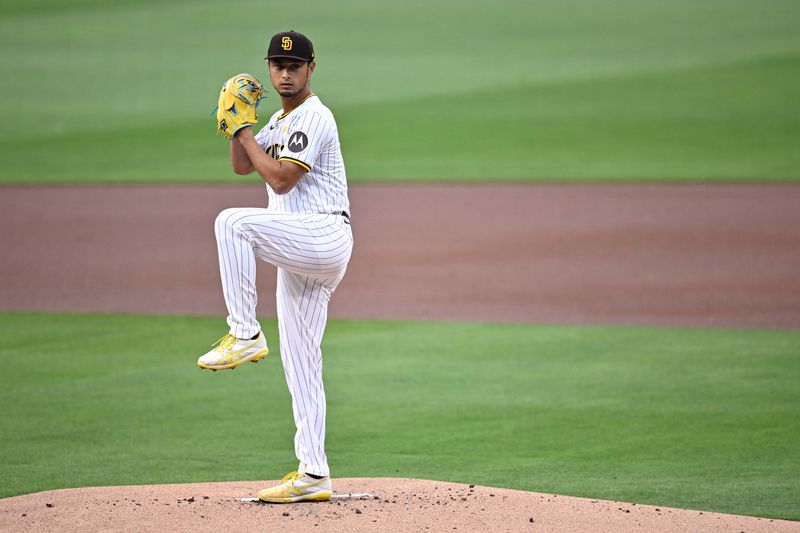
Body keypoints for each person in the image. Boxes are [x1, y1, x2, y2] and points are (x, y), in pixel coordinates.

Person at [197, 30, 353, 503]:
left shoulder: (313, 117)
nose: (285, 73)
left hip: (322, 236)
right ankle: (314, 473)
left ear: (311, 68)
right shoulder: (279, 122)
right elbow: (244, 167)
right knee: (301, 363)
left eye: (294, 66)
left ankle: (244, 332)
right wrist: (235, 125)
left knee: (232, 223)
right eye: (277, 65)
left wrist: (243, 130)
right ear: (269, 68)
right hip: (299, 250)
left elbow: (281, 180)